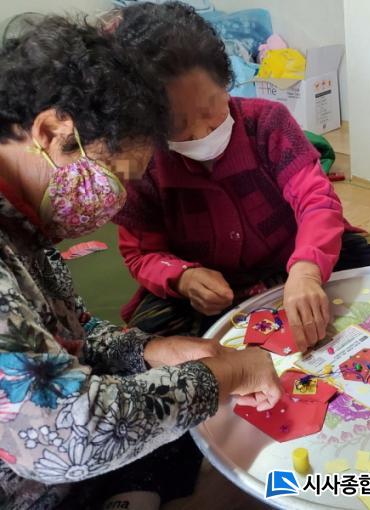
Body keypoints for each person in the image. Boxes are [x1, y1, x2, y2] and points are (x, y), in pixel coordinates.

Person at [0, 16, 280, 510]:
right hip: (39, 479)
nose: (118, 200)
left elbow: (71, 337)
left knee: (188, 426)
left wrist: (148, 351)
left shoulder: (25, 225)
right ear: (52, 131)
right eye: (117, 174)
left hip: (67, 460)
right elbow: (68, 436)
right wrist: (230, 375)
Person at [111, 2, 370, 348]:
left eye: (210, 108)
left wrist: (306, 269)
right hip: (217, 287)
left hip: (291, 259)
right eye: (178, 125)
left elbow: (316, 201)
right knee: (145, 334)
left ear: (226, 81)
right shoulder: (141, 162)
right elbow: (141, 254)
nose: (201, 132)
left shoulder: (268, 122)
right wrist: (184, 278)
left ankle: (288, 284)